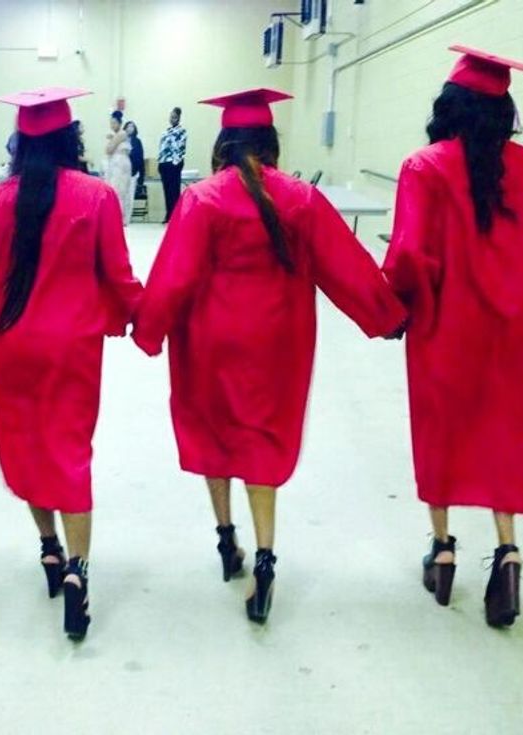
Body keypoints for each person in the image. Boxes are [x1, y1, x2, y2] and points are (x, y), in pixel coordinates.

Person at [133, 89, 407, 624]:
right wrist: (387, 316)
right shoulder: (301, 198)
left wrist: (148, 328)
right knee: (259, 439)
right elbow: (344, 265)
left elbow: (175, 276)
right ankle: (264, 558)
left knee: (213, 432)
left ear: (223, 144)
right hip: (277, 342)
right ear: (271, 143)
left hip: (209, 340)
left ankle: (225, 539)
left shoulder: (202, 199)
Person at [383, 46, 523, 628]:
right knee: (507, 438)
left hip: (446, 329)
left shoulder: (424, 166)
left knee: (442, 432)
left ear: (449, 107)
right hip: (514, 334)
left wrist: (395, 308)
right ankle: (508, 552)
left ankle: (442, 550)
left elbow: (409, 254)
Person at [0, 87, 142, 641]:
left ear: (18, 144)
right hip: (72, 347)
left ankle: (48, 548)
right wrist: (142, 317)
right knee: (69, 452)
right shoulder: (97, 196)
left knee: (26, 447)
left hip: (12, 346)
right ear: (71, 139)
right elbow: (118, 274)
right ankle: (77, 571)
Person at [157, 106, 187, 223]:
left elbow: (181, 148)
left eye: (174, 117)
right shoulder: (166, 131)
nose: (172, 119)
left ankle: (175, 215)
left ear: (178, 118)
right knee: (166, 190)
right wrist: (160, 162)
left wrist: (176, 162)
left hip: (174, 163)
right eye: (171, 117)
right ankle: (168, 213)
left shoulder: (182, 131)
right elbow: (162, 147)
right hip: (164, 162)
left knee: (174, 190)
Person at [104, 110, 134, 225]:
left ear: (120, 123)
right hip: (116, 162)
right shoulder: (117, 135)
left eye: (114, 123)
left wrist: (111, 139)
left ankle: (119, 218)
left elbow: (109, 149)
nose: (112, 125)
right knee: (115, 189)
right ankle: (116, 217)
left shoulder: (121, 134)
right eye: (111, 123)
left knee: (119, 190)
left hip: (120, 163)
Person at [125, 120, 145, 195]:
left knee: (130, 196)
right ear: (125, 128)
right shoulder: (121, 141)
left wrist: (142, 176)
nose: (130, 128)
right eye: (128, 126)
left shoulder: (137, 141)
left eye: (132, 126)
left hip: (133, 173)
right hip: (122, 173)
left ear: (135, 129)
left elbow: (141, 158)